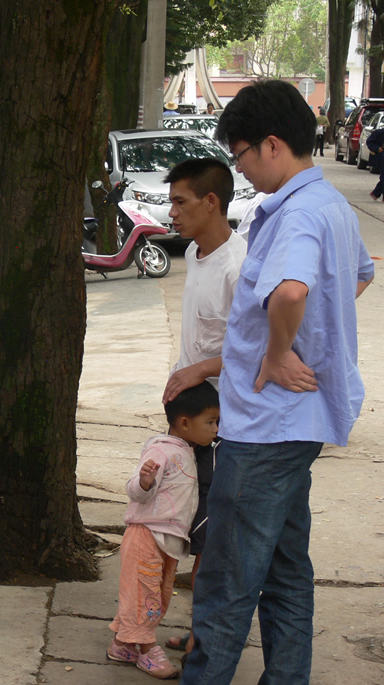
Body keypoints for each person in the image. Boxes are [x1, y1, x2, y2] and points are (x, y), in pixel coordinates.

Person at [181, 79, 375, 685]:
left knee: (227, 581)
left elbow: (291, 291)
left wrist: (279, 350)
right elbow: (358, 276)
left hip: (268, 427)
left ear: (271, 144)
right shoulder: (331, 206)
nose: (238, 169)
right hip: (297, 425)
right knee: (286, 572)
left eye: (239, 155)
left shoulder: (297, 213)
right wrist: (311, 332)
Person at [160, 158, 247, 657]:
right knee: (191, 528)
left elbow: (255, 347)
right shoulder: (195, 254)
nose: (172, 212)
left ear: (211, 202)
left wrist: (199, 371)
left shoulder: (240, 265)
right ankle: (201, 632)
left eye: (180, 201)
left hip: (226, 426)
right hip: (191, 418)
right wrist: (180, 378)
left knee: (216, 539)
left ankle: (209, 642)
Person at [107, 382, 220, 679]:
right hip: (147, 535)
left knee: (158, 594)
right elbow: (135, 490)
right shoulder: (160, 450)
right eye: (210, 422)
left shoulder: (189, 450)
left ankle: (122, 644)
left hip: (168, 541)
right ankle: (147, 650)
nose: (216, 429)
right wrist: (144, 482)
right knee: (146, 596)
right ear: (185, 423)